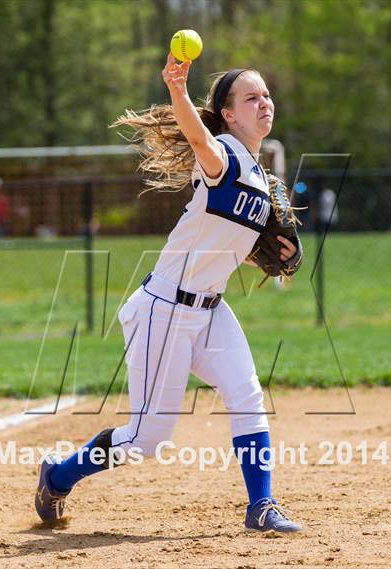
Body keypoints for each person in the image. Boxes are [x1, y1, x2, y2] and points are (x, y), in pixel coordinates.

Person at [35, 53, 302, 534]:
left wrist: (271, 257)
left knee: (247, 395)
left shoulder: (263, 181)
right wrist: (178, 90)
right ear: (228, 114)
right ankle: (57, 475)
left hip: (210, 309)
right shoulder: (221, 153)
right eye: (251, 97)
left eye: (266, 95)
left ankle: (261, 506)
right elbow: (196, 136)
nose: (264, 103)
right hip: (164, 310)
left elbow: (225, 244)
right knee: (145, 440)